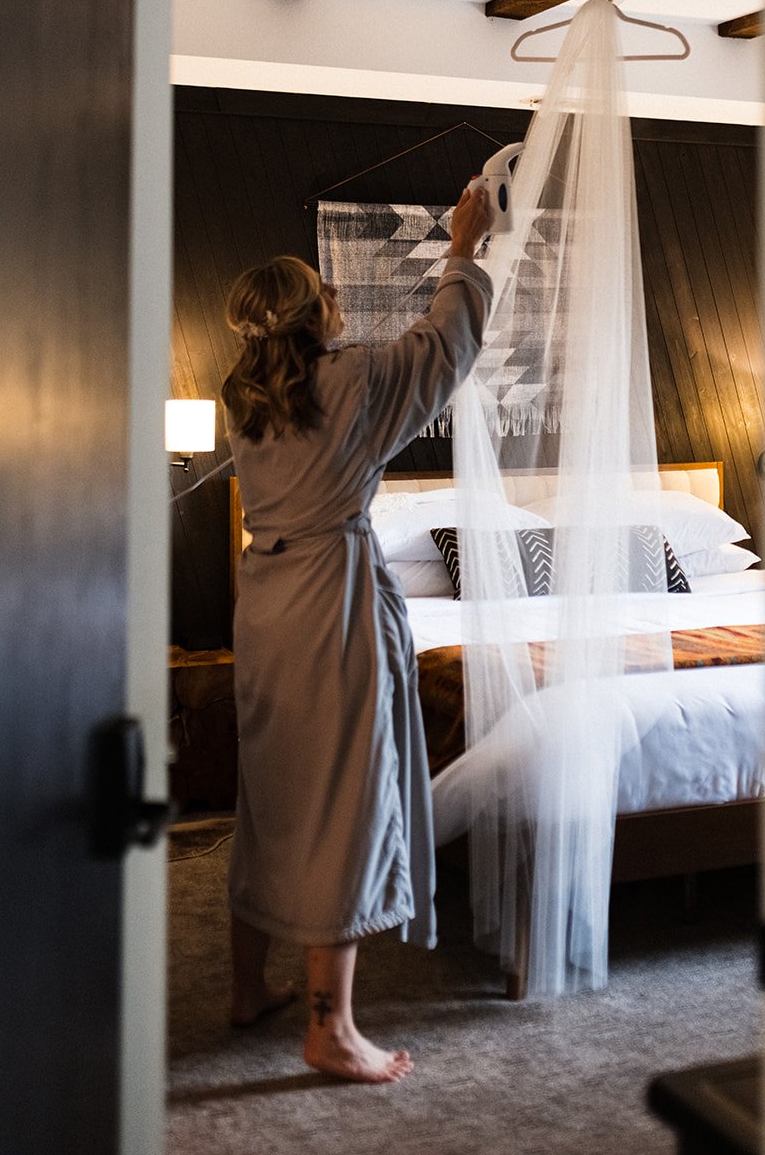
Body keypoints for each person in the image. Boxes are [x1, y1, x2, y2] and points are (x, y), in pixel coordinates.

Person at [220, 183, 493, 1083]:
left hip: (263, 600)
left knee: (272, 794)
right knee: (339, 802)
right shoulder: (354, 382)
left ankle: (243, 986)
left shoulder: (243, 398)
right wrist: (462, 248)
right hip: (330, 604)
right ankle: (329, 1027)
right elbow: (443, 348)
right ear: (317, 310)